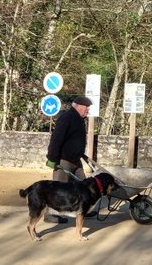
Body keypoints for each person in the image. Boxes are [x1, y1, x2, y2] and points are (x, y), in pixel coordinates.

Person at [45, 95, 92, 223]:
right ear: (79, 106)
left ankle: (83, 210)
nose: (88, 110)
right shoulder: (67, 118)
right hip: (63, 160)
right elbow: (56, 139)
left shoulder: (79, 119)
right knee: (59, 189)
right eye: (86, 107)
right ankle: (50, 215)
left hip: (76, 160)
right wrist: (52, 158)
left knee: (84, 186)